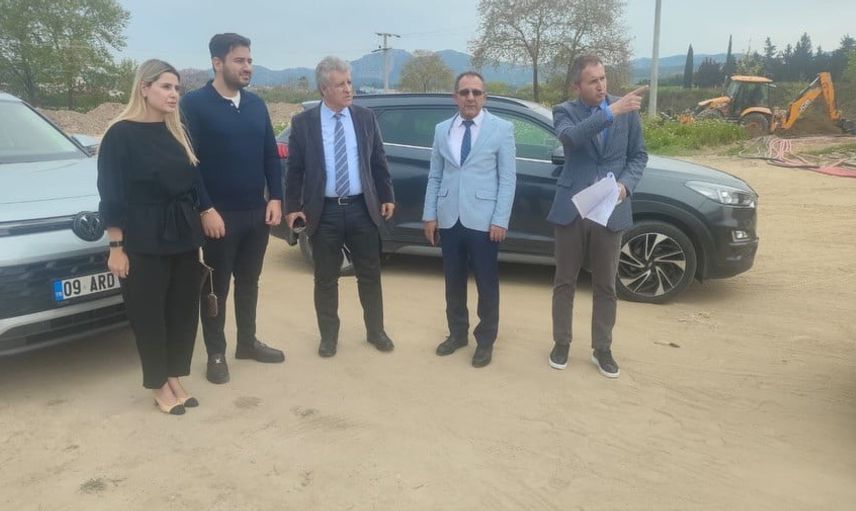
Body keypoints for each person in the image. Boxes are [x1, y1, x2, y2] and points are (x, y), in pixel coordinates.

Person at [97, 59, 205, 415]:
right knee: (149, 313)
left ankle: (174, 375)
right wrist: (116, 247)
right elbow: (111, 194)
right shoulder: (120, 134)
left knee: (182, 310)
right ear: (144, 88)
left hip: (182, 235)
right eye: (166, 87)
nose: (174, 94)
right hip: (142, 236)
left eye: (177, 88)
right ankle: (158, 383)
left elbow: (193, 184)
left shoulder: (177, 131)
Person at [181, 33, 284, 384]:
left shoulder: (255, 105)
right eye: (240, 60)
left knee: (249, 282)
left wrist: (275, 197)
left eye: (249, 60)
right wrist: (205, 208)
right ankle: (216, 352)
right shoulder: (194, 104)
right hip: (218, 217)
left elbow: (270, 154)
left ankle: (247, 342)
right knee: (215, 287)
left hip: (256, 213)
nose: (247, 67)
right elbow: (190, 162)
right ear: (217, 63)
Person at [285, 56, 396, 358]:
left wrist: (386, 195)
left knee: (370, 274)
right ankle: (329, 337)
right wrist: (293, 207)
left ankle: (376, 331)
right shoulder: (304, 124)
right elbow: (294, 170)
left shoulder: (364, 118)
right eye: (341, 84)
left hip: (362, 209)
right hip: (325, 212)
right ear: (324, 89)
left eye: (349, 82)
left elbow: (378, 160)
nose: (349, 89)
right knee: (325, 278)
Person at [548, 55, 648, 378]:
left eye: (603, 78)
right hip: (572, 208)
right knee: (565, 281)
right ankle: (561, 342)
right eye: (593, 81)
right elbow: (570, 138)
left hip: (610, 209)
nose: (601, 86)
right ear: (577, 86)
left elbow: (638, 156)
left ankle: (602, 348)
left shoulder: (627, 111)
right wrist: (611, 112)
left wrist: (626, 186)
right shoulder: (564, 111)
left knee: (606, 284)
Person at [422, 71, 516, 368]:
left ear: (484, 97)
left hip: (484, 220)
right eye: (465, 92)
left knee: (486, 283)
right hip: (449, 218)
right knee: (453, 280)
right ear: (455, 97)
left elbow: (508, 179)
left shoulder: (501, 129)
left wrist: (500, 219)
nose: (471, 97)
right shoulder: (442, 130)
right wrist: (429, 215)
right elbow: (435, 175)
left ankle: (485, 340)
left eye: (476, 92)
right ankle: (457, 334)